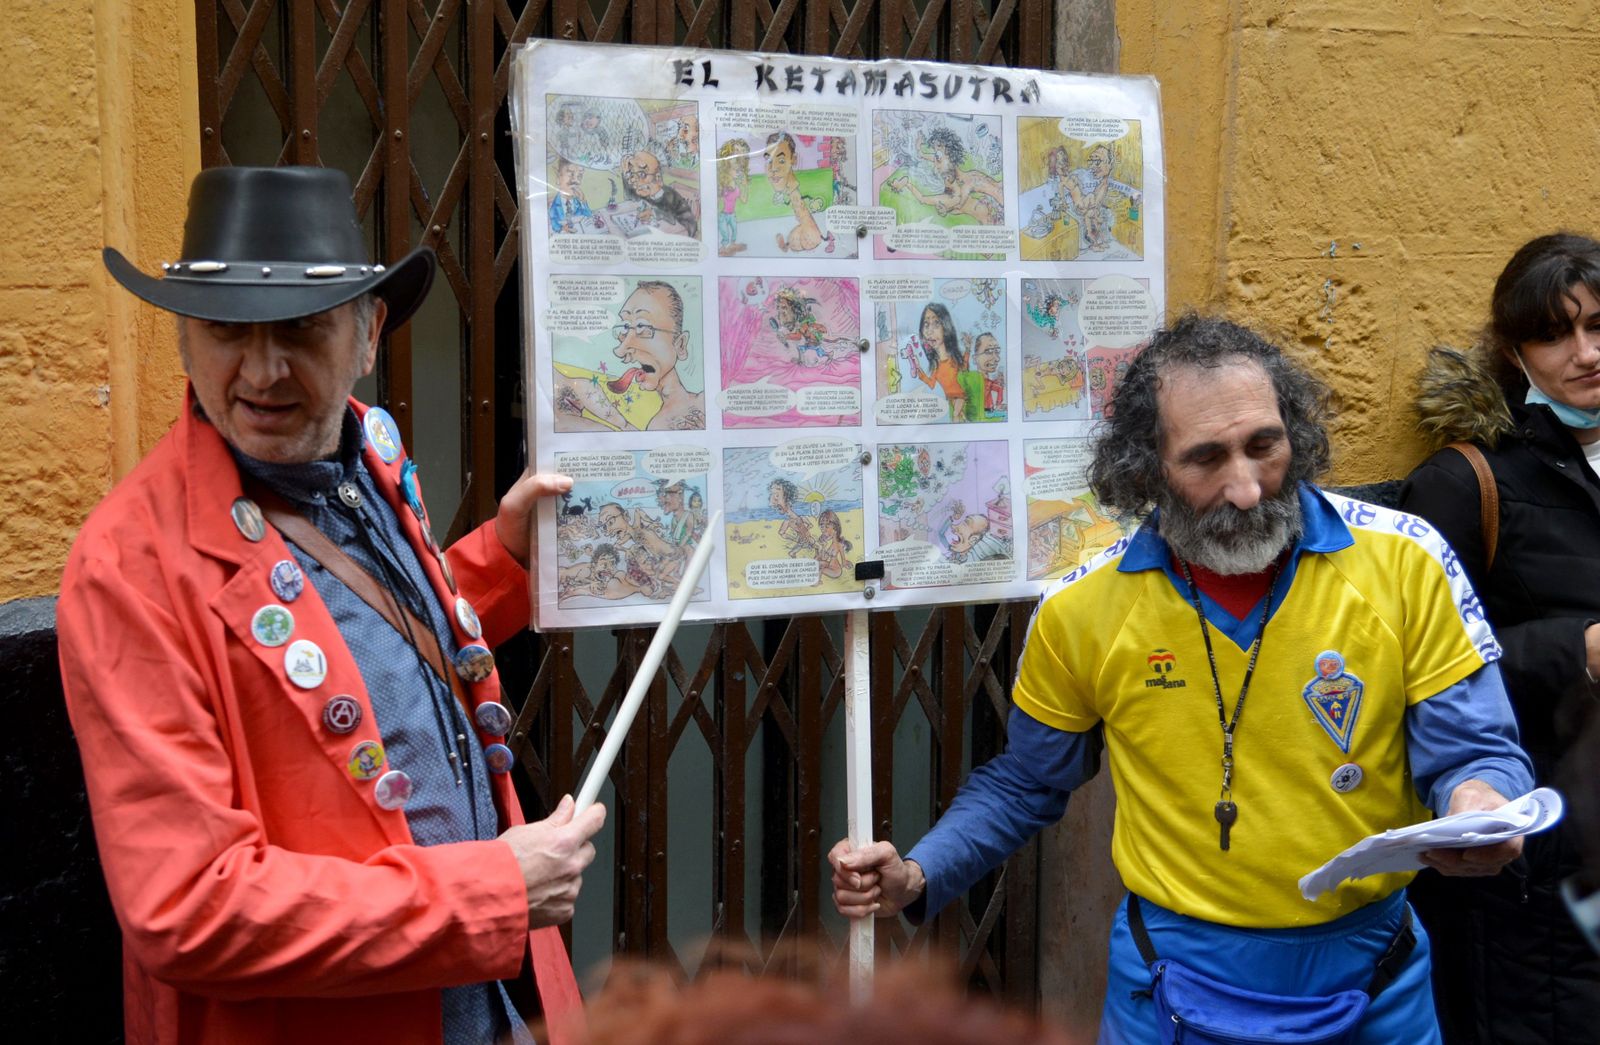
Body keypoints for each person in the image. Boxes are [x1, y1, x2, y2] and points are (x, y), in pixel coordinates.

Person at [830, 314, 1535, 1042]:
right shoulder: (1082, 609)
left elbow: (1478, 752)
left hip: (1374, 975)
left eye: (1265, 445)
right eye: (1206, 458)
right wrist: (917, 874)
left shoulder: (1407, 562)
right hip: (1172, 983)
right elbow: (1027, 782)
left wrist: (1483, 799)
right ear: (1147, 468)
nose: (1247, 488)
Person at [63, 166, 606, 1045]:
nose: (263, 371)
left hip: (486, 1010)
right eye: (226, 331)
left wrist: (499, 560)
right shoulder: (129, 566)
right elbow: (188, 905)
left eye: (302, 331)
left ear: (368, 331)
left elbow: (335, 647)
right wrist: (493, 890)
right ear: (181, 338)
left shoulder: (363, 451)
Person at [1400, 232, 1600, 1042]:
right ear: (1515, 353)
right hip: (1540, 854)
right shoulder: (1468, 480)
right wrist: (1576, 649)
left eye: (1598, 324)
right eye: (1555, 333)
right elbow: (1420, 664)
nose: (1585, 353)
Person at [619, 145, 697, 238]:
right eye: (632, 174)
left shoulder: (668, 195)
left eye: (642, 174)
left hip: (683, 230)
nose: (634, 180)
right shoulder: (645, 189)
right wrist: (625, 175)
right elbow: (631, 198)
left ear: (657, 178)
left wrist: (653, 212)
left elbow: (671, 218)